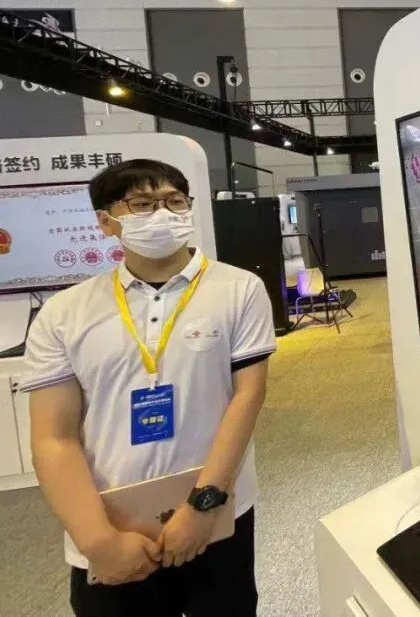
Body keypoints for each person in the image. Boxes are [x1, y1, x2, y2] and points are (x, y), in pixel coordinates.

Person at [21, 159, 277, 617]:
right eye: (142, 204)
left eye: (174, 202)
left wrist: (203, 506)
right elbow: (54, 438)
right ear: (106, 221)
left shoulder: (239, 289)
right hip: (113, 521)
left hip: (217, 514)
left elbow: (247, 397)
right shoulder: (64, 313)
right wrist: (98, 541)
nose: (162, 214)